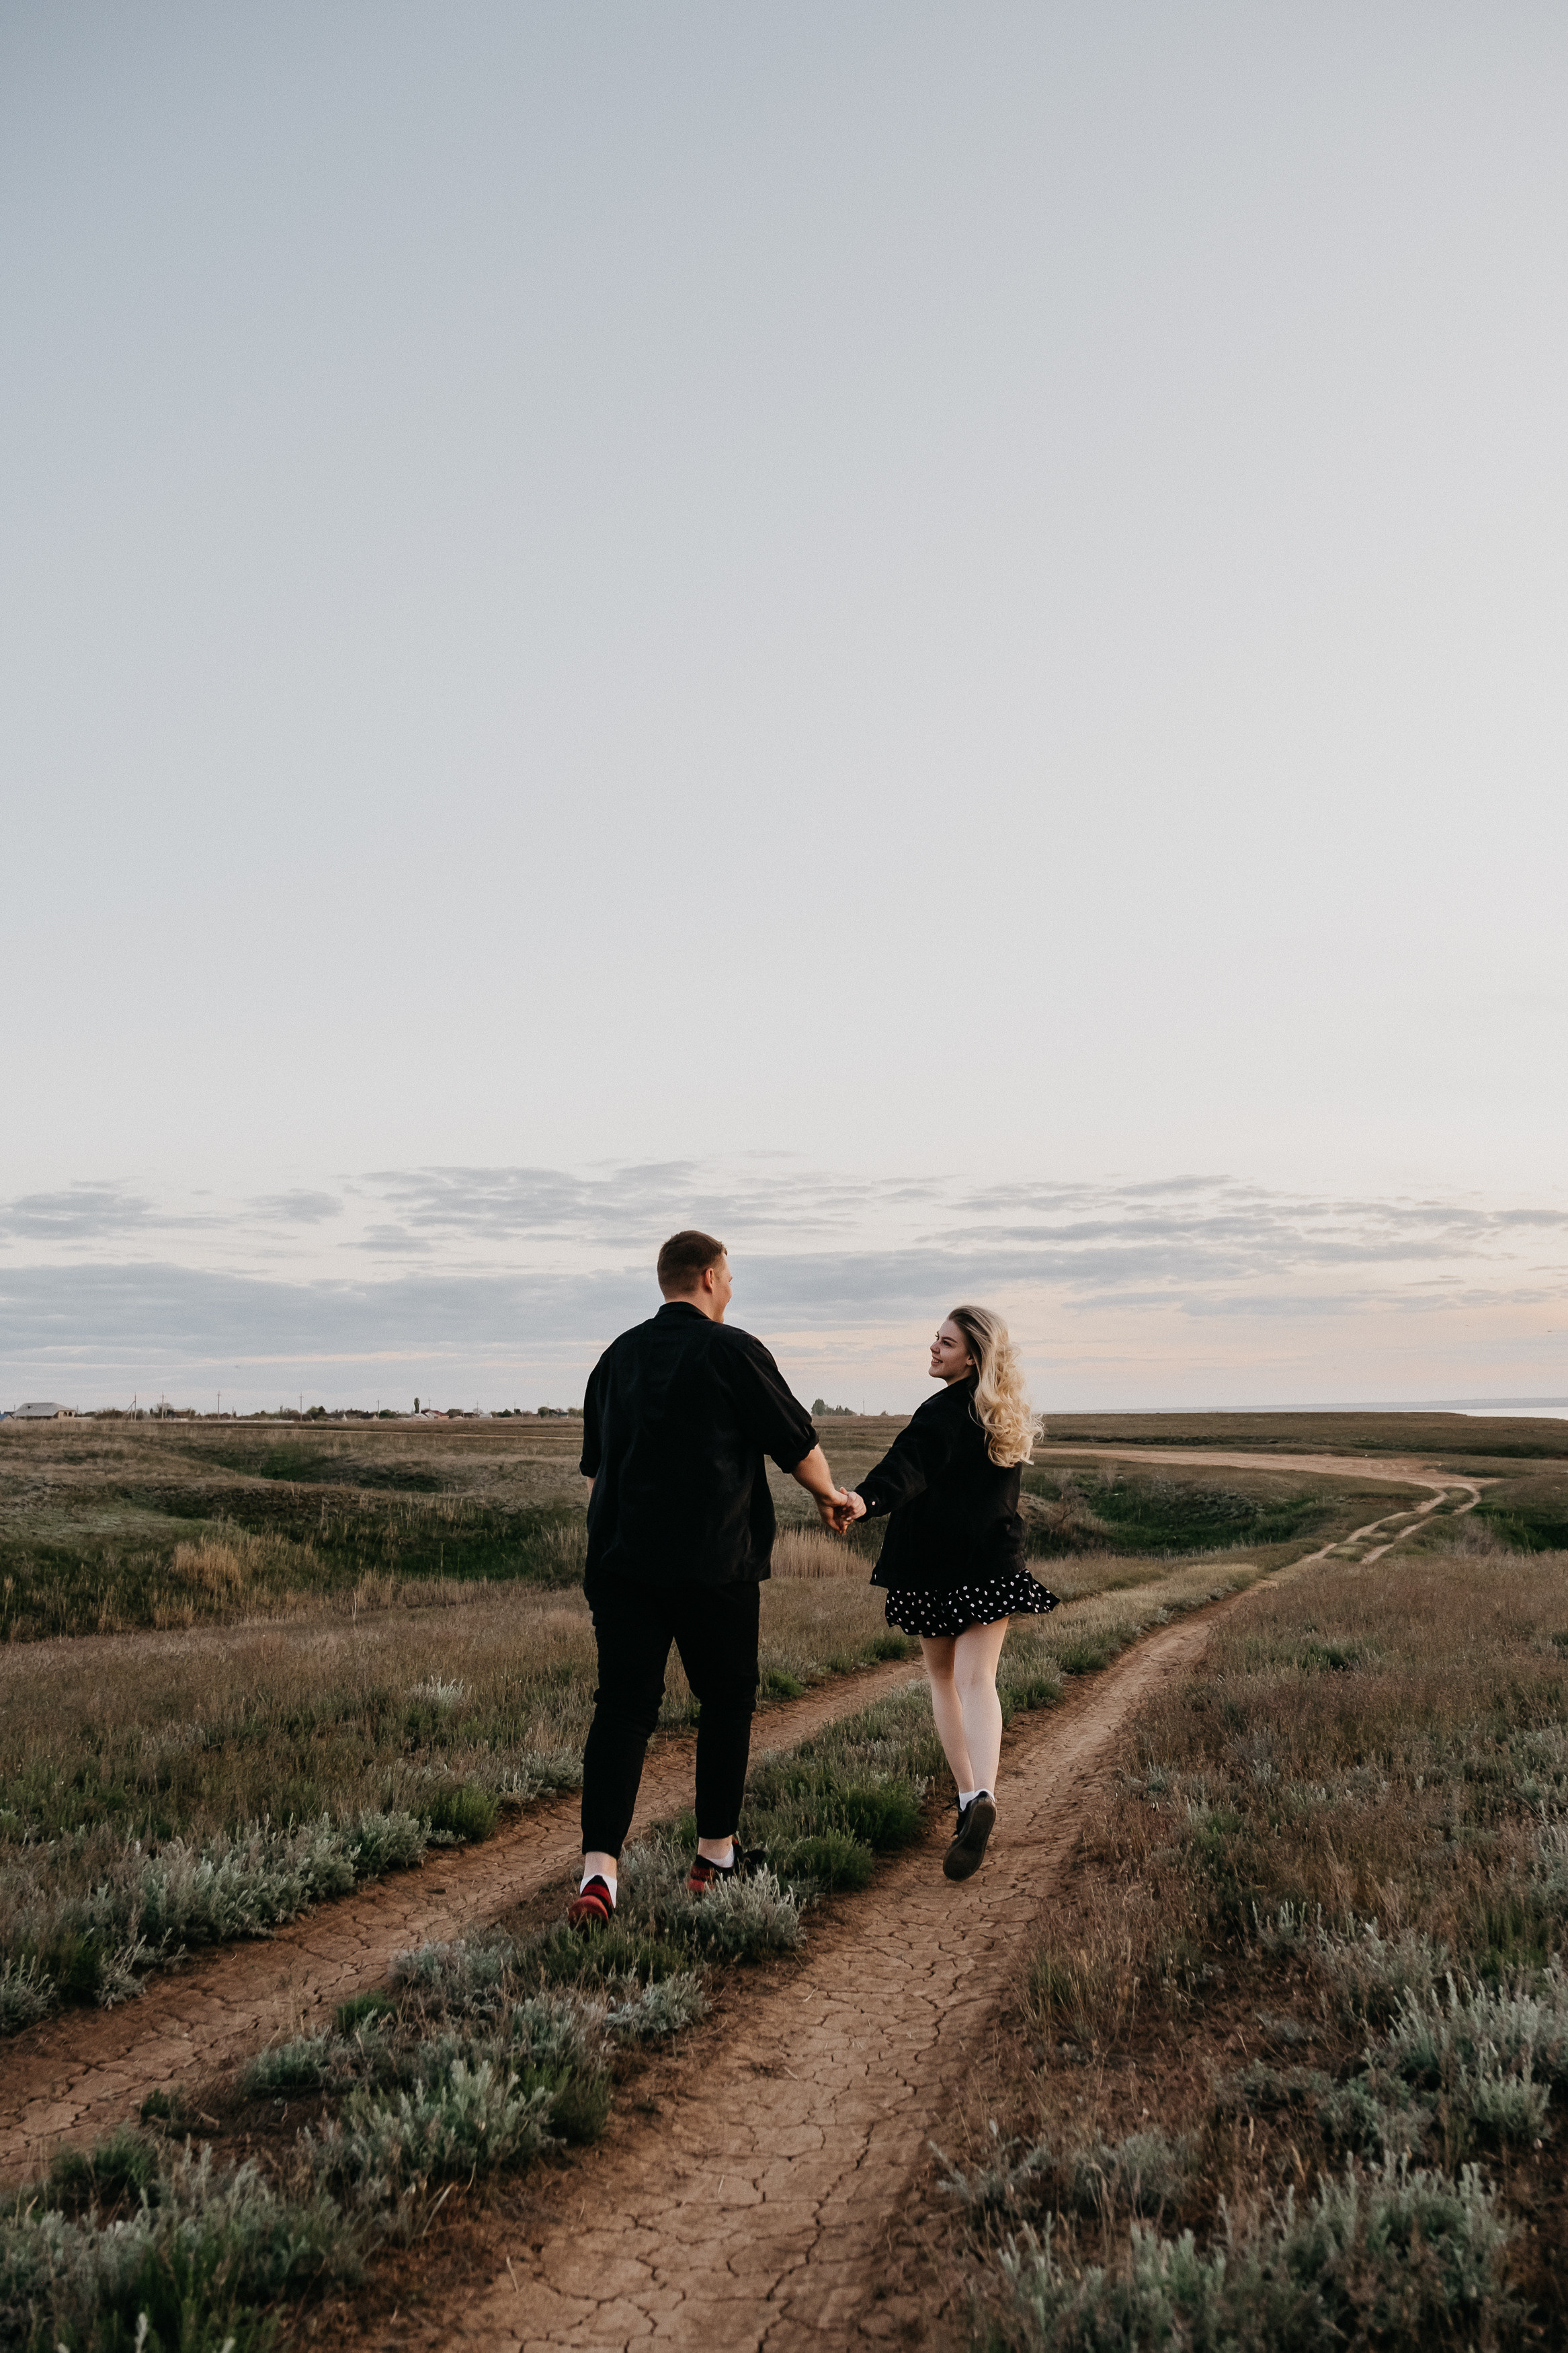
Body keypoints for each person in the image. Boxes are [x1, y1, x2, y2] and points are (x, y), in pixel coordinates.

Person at [568, 1229, 850, 1930]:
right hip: (713, 1564)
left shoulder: (615, 1357)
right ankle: (713, 1857)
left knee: (623, 1708)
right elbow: (795, 1441)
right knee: (725, 1701)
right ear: (705, 1276)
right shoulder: (732, 1349)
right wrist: (826, 1493)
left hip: (621, 1564)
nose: (731, 1287)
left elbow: (599, 1471)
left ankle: (599, 1871)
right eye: (727, 1275)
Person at [839, 1305, 1057, 1882]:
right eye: (935, 1340)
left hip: (932, 1567)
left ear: (972, 1356)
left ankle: (969, 1800)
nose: (933, 1349)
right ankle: (983, 1793)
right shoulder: (1002, 1415)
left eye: (945, 1343)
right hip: (991, 1561)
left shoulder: (937, 1412)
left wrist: (864, 1501)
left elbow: (906, 1468)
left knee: (943, 1680)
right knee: (978, 1681)